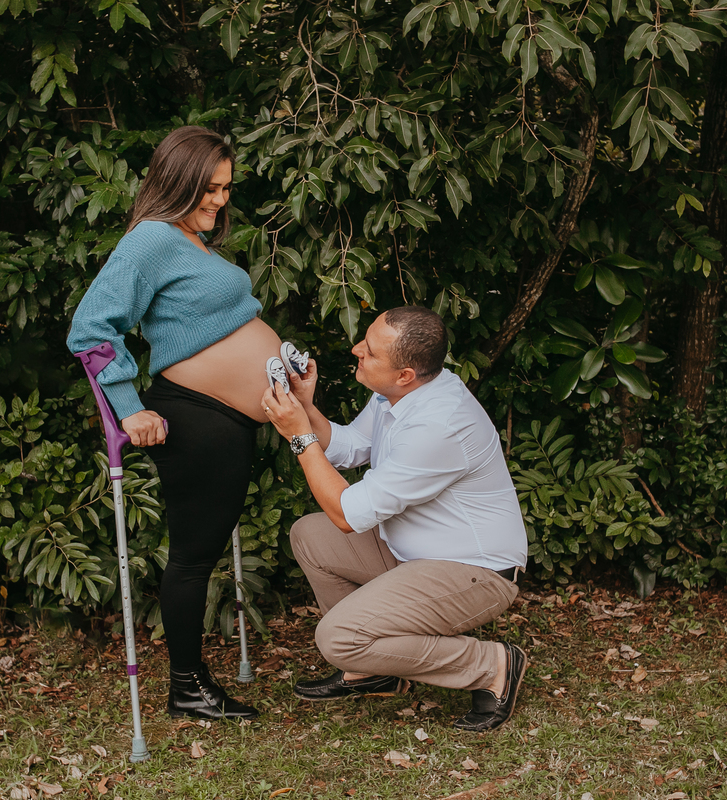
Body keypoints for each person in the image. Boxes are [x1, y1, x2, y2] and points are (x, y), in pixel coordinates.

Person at [66, 126, 300, 721]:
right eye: (210, 188)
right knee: (193, 558)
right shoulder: (150, 241)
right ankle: (187, 688)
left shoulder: (192, 243)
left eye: (226, 188)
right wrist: (128, 408)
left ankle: (190, 684)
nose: (221, 200)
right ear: (179, 180)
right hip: (195, 417)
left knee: (201, 551)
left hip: (223, 420)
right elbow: (92, 327)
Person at [261, 306, 530, 732]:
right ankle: (372, 670)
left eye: (368, 351)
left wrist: (299, 436)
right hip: (413, 553)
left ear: (405, 373)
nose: (356, 350)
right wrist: (308, 410)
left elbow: (348, 514)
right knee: (311, 534)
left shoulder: (438, 425)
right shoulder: (400, 392)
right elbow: (350, 446)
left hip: (476, 571)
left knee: (337, 638)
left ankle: (491, 664)